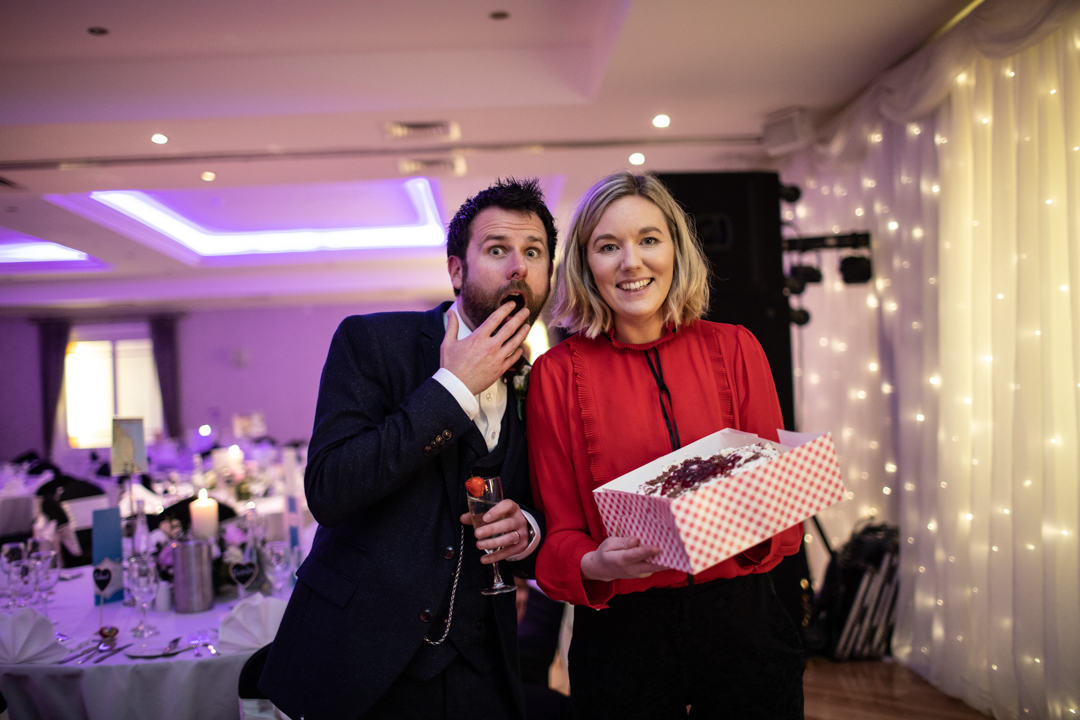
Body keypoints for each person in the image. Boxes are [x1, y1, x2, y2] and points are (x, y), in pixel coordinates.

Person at [260, 178, 556, 720]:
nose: (519, 266)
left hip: (482, 667)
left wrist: (527, 531)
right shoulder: (371, 342)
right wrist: (452, 389)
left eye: (533, 252)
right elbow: (329, 489)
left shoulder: (542, 382)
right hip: (358, 665)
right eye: (498, 250)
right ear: (456, 270)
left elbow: (545, 512)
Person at [527, 171, 804, 719]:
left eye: (648, 239)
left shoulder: (737, 347)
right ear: (585, 264)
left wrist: (759, 518)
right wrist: (593, 562)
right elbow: (559, 537)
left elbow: (785, 518)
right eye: (609, 246)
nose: (631, 262)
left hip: (744, 620)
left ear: (675, 249)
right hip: (622, 637)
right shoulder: (555, 374)